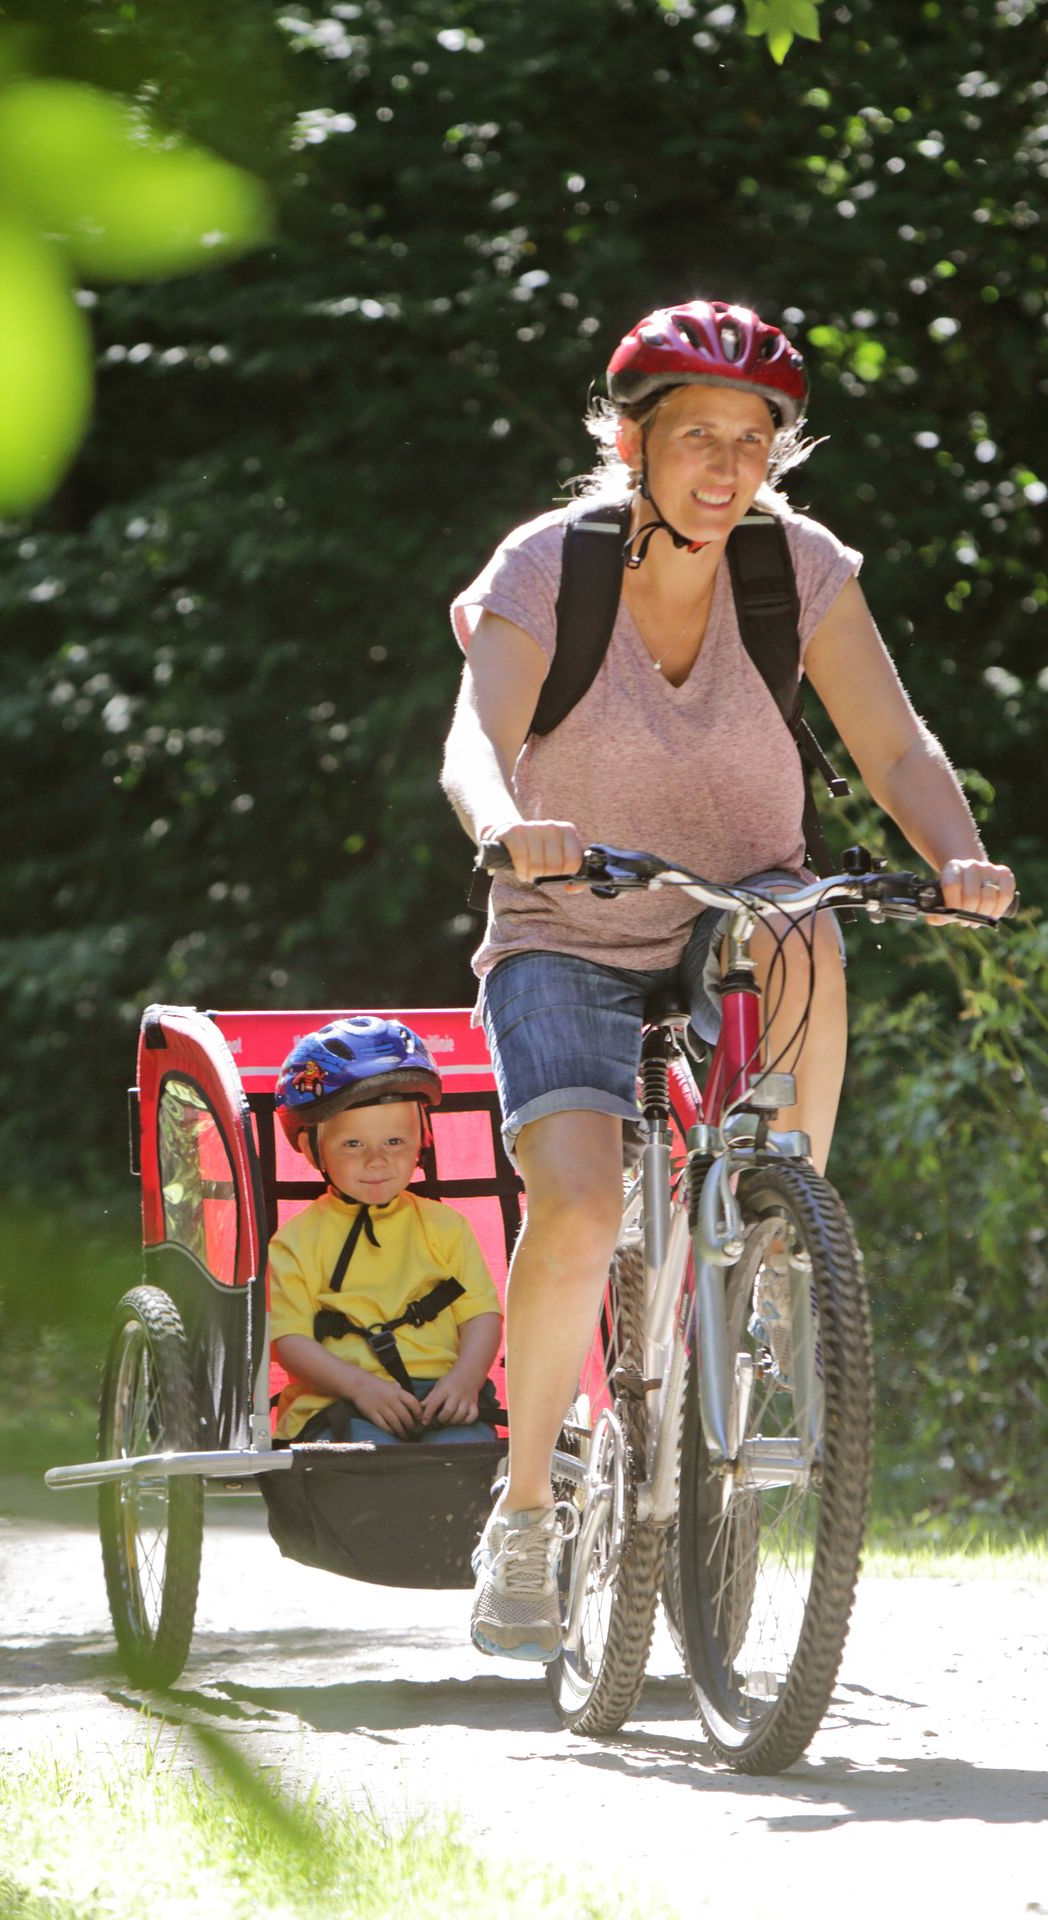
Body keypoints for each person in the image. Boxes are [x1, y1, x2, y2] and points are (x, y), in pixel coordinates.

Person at [440, 298, 1016, 1661]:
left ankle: (775, 1218)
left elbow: (895, 741)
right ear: (628, 437)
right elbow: (475, 735)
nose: (725, 464)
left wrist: (961, 854)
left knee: (814, 914)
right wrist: (500, 820)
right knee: (578, 1205)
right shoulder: (552, 565)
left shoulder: (795, 566)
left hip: (739, 912)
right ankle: (525, 1511)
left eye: (751, 440)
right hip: (568, 922)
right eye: (695, 434)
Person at [269, 1017, 503, 1448]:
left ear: (422, 1141)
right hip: (338, 1400)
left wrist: (466, 1381)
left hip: (442, 1393)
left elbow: (481, 1315)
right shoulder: (296, 1241)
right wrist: (359, 1387)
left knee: (469, 1454)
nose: (376, 1161)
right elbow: (289, 1342)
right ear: (310, 1148)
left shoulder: (445, 1226)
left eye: (395, 1142)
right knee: (367, 1459)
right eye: (353, 1144)